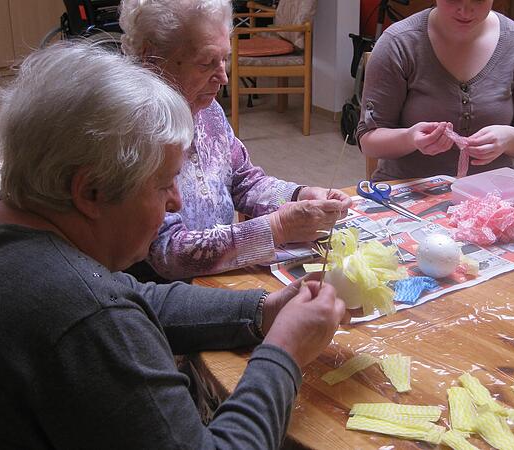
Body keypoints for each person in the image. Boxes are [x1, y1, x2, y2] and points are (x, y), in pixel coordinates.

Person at [0, 42, 347, 448]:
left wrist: (262, 310)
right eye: (164, 184)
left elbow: (134, 295)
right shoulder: (86, 319)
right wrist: (284, 351)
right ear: (91, 191)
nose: (176, 202)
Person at [117, 0, 352, 281]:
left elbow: (244, 181)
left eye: (224, 59)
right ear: (152, 57)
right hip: (168, 297)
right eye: (206, 63)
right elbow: (167, 253)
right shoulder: (130, 131)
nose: (224, 77)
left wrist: (299, 195)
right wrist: (277, 227)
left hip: (219, 279)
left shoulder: (207, 110)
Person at [356, 0, 514, 181]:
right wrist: (410, 138)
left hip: (489, 194)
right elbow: (368, 141)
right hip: (408, 191)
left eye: (479, 0)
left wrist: (510, 139)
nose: (465, 10)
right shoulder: (399, 43)